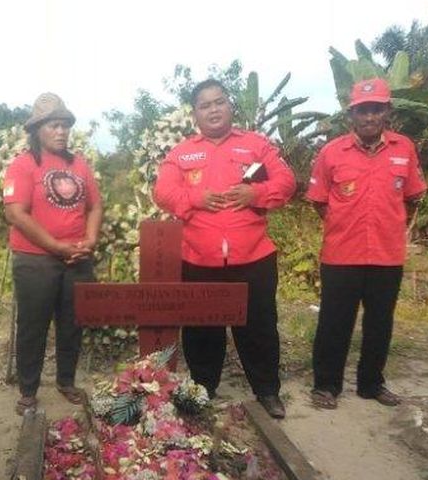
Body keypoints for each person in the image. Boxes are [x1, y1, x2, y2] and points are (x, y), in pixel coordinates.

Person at [154, 79, 296, 419]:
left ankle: (267, 391)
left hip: (254, 257)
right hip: (199, 258)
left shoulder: (256, 146)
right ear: (195, 114)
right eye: (205, 105)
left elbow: (286, 182)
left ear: (230, 106)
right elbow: (163, 192)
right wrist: (195, 198)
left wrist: (256, 195)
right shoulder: (182, 153)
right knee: (202, 331)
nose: (214, 109)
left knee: (259, 327)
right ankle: (203, 389)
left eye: (219, 102)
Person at [306, 78, 426, 410]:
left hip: (387, 255)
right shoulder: (332, 152)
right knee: (334, 321)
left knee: (380, 322)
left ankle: (371, 383)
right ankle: (326, 386)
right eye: (363, 111)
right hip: (342, 253)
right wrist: (343, 223)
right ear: (351, 116)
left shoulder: (404, 149)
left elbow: (413, 196)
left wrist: (390, 223)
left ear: (387, 111)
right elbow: (319, 201)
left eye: (376, 109)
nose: (370, 117)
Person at [3, 92, 103, 416]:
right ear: (38, 130)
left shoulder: (79, 165)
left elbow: (95, 206)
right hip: (35, 259)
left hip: (76, 257)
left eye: (65, 126)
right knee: (34, 325)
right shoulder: (23, 164)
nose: (61, 132)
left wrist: (88, 240)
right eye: (53, 126)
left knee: (73, 323)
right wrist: (56, 246)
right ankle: (28, 390)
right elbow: (16, 214)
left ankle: (66, 381)